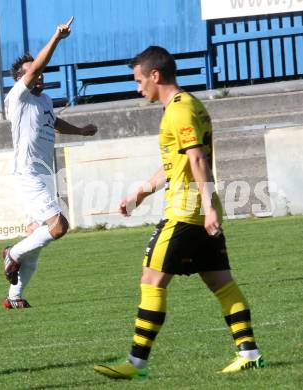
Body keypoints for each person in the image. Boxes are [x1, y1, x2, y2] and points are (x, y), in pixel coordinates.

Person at [93, 46, 265, 378]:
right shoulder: (188, 105)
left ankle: (136, 364)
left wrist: (206, 204)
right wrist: (142, 191)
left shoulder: (179, 111)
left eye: (139, 80)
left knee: (151, 279)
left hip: (185, 213)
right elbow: (181, 160)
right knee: (221, 283)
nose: (137, 87)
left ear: (155, 76)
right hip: (200, 211)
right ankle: (250, 353)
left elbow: (198, 159)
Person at [1, 17, 97, 309]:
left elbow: (53, 123)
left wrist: (79, 131)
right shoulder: (18, 96)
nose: (39, 77)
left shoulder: (45, 100)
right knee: (58, 227)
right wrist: (56, 37)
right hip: (26, 173)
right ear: (21, 79)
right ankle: (12, 254)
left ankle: (14, 298)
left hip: (43, 175)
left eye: (40, 73)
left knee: (38, 242)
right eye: (34, 73)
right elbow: (38, 67)